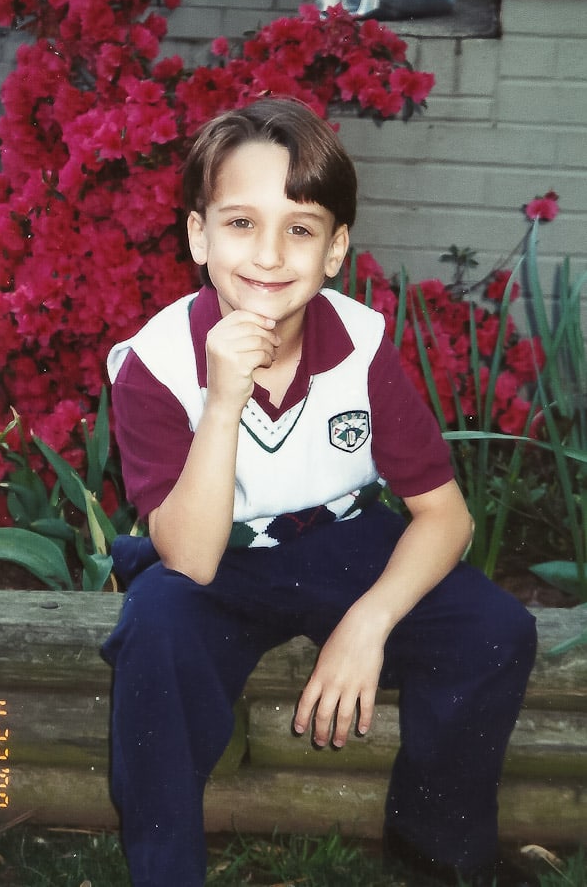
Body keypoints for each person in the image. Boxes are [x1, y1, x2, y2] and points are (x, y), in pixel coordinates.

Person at [102, 97, 538, 887]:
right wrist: (225, 398)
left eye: (300, 228)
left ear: (335, 249)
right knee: (156, 632)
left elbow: (446, 514)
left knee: (494, 628)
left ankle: (438, 848)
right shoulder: (156, 362)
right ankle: (166, 871)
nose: (269, 254)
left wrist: (368, 620)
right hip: (218, 561)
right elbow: (192, 557)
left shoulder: (360, 343)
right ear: (198, 233)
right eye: (240, 222)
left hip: (344, 542)